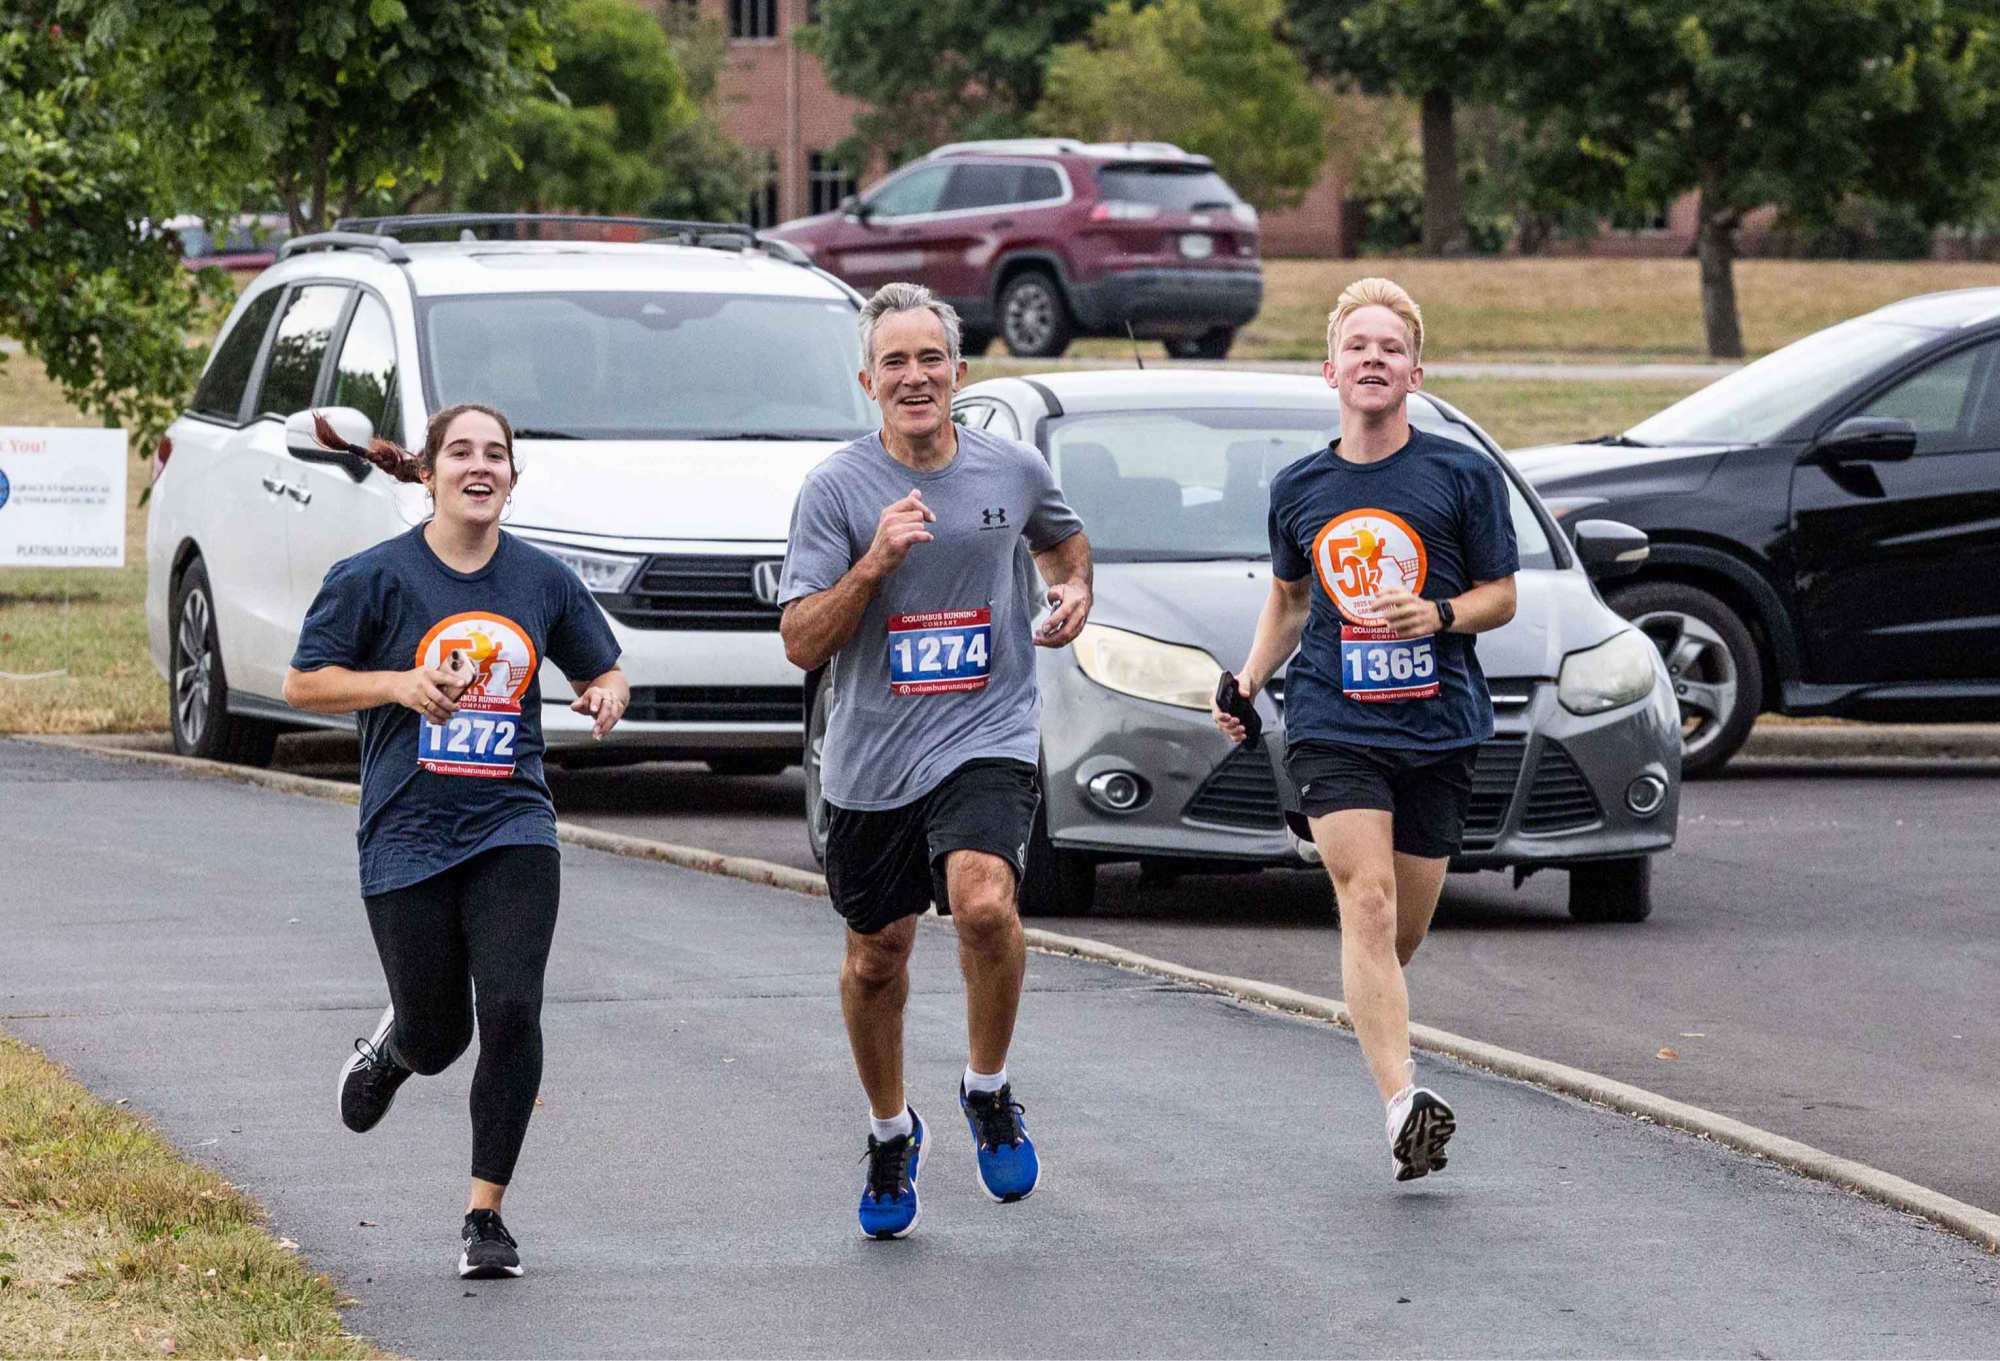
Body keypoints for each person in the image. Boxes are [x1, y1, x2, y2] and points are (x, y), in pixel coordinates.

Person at [283, 403, 628, 1277]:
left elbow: (603, 665)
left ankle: (486, 1217)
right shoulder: (374, 577)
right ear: (429, 471)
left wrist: (606, 693)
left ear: (514, 475)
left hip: (513, 824)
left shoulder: (541, 580)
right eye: (462, 453)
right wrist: (398, 684)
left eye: (498, 455)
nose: (481, 467)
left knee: (511, 1008)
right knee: (441, 1037)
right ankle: (396, 1047)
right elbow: (301, 682)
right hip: (405, 830)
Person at [778, 282, 1091, 1239]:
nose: (915, 377)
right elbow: (799, 641)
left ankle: (987, 1088)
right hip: (874, 757)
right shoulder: (836, 489)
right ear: (868, 380)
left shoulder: (1014, 469)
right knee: (879, 956)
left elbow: (1066, 543)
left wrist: (1073, 590)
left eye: (932, 358)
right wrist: (872, 564)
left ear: (958, 371)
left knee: (985, 900)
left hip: (986, 730)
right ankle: (888, 1130)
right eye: (896, 363)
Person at [1213, 278, 1518, 1181]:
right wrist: (1248, 678)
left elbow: (1502, 596)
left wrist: (1441, 615)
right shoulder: (1301, 486)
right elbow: (1292, 597)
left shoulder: (1462, 474)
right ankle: (1402, 1106)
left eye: (1391, 347)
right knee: (1370, 902)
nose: (1373, 359)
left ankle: (1372, 1018)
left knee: (1396, 931)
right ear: (1331, 369)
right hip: (1332, 721)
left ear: (1415, 371)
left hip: (1439, 725)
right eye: (1359, 346)